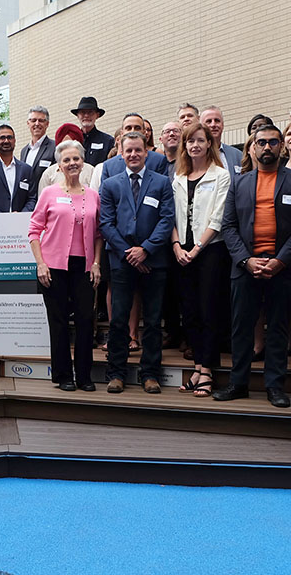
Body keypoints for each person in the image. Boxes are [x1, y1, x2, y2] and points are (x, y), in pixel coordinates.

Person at [213, 125, 291, 408]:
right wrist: (246, 260)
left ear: (281, 146)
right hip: (246, 266)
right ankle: (239, 383)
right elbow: (229, 226)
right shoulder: (240, 182)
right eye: (261, 143)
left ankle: (275, 386)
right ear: (252, 148)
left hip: (282, 268)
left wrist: (281, 260)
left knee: (279, 328)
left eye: (272, 142)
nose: (267, 147)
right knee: (241, 328)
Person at [98, 132, 175, 394]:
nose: (133, 155)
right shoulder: (111, 184)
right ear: (121, 152)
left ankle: (150, 374)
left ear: (147, 152)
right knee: (118, 320)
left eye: (138, 150)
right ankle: (117, 372)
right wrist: (129, 252)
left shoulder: (162, 182)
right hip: (120, 261)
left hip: (155, 260)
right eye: (128, 150)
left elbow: (167, 219)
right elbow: (106, 223)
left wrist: (146, 250)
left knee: (153, 321)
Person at [29, 140, 103, 392]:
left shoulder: (93, 195)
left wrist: (96, 263)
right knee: (58, 321)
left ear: (83, 163)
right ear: (59, 165)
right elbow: (34, 230)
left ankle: (83, 375)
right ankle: (63, 375)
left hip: (83, 266)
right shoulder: (49, 193)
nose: (72, 163)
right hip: (53, 266)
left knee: (85, 319)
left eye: (76, 159)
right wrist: (40, 264)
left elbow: (98, 234)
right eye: (67, 160)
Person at [170, 124, 231, 396]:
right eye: (189, 141)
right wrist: (175, 246)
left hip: (209, 251)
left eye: (199, 140)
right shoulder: (179, 177)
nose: (194, 145)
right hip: (181, 251)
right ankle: (196, 368)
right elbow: (169, 215)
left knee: (208, 310)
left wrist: (196, 249)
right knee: (190, 311)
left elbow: (218, 218)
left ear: (209, 144)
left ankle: (207, 370)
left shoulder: (221, 176)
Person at [97, 114, 169, 180]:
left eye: (137, 128)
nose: (133, 131)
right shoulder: (109, 166)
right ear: (122, 133)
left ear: (144, 133)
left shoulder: (159, 161)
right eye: (128, 128)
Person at [37, 123, 94, 193]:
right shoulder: (49, 174)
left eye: (76, 158)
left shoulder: (91, 171)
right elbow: (43, 201)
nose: (72, 163)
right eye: (64, 146)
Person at [199, 106, 243, 177]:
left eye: (217, 120)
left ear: (222, 125)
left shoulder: (238, 156)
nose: (213, 125)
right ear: (200, 126)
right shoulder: (194, 157)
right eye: (208, 121)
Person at [72, 96, 114, 166]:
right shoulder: (72, 140)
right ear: (78, 115)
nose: (86, 115)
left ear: (97, 115)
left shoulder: (108, 141)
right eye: (83, 112)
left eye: (90, 112)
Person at [21, 106, 55, 181]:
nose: (37, 124)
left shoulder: (55, 147)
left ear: (47, 124)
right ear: (28, 123)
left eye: (41, 120)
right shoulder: (24, 151)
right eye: (33, 120)